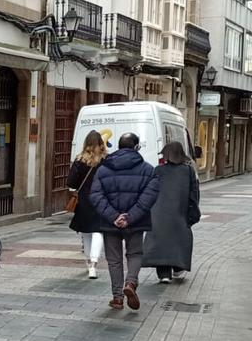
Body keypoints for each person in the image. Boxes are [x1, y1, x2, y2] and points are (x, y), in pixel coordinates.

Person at [89, 132, 160, 310]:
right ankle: (131, 283)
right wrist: (130, 217)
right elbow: (149, 197)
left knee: (114, 260)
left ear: (119, 147)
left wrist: (114, 216)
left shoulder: (103, 169)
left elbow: (96, 196)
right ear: (136, 147)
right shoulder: (148, 170)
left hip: (109, 222)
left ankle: (118, 297)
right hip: (135, 222)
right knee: (135, 254)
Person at [143, 141, 201, 283]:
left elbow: (149, 192)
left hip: (158, 214)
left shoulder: (158, 170)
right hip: (179, 213)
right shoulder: (188, 171)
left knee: (160, 242)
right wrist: (193, 213)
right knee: (179, 241)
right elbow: (194, 194)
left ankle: (164, 275)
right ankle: (177, 268)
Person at [67, 131, 108, 279]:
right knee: (98, 231)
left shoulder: (80, 160)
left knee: (86, 232)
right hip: (101, 199)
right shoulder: (106, 160)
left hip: (84, 199)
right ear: (101, 143)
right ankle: (94, 264)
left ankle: (88, 261)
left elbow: (71, 182)